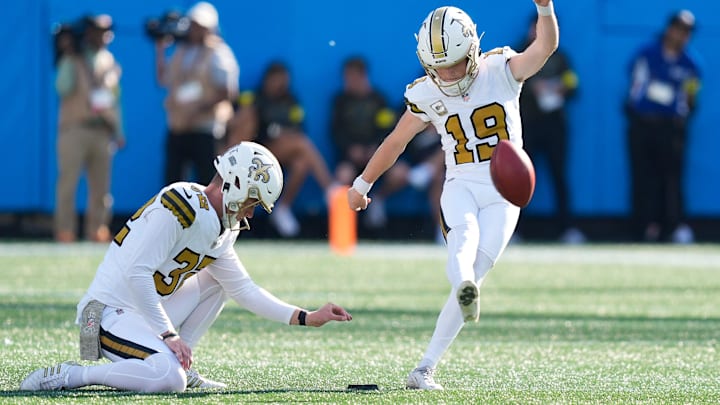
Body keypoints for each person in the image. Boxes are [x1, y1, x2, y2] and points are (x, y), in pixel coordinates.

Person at [19, 142, 352, 392]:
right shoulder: (185, 205)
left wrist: (307, 317)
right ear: (234, 185)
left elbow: (244, 289)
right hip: (104, 313)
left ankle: (180, 361)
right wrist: (169, 335)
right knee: (168, 378)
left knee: (218, 282)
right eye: (252, 203)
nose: (250, 213)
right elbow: (137, 274)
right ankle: (72, 375)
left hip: (141, 310)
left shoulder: (219, 225)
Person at [348, 1, 559, 389]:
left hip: (503, 192)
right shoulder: (427, 92)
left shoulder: (501, 70)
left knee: (477, 269)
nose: (446, 73)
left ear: (474, 51)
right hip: (460, 183)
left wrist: (544, 8)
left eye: (455, 63)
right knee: (462, 245)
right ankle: (457, 296)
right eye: (438, 66)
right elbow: (396, 141)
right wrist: (362, 183)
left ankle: (425, 366)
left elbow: (544, 48)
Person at [226, 61, 336, 237]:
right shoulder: (253, 98)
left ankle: (282, 208)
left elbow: (299, 127)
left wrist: (282, 133)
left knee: (301, 162)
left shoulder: (290, 100)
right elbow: (243, 126)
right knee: (303, 144)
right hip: (254, 152)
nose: (280, 85)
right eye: (277, 80)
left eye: (284, 81)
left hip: (278, 153)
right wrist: (273, 131)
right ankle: (330, 189)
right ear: (268, 79)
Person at [625, 10, 701, 244]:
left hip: (671, 128)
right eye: (678, 29)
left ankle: (674, 226)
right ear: (669, 29)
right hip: (644, 124)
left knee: (671, 179)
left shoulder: (691, 64)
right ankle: (644, 226)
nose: (681, 35)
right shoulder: (647, 55)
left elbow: (690, 98)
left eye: (686, 32)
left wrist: (679, 108)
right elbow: (635, 89)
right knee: (642, 177)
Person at [54, 14, 125, 243]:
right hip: (75, 128)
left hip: (102, 130)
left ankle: (98, 228)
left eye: (106, 31)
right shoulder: (73, 59)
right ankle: (65, 230)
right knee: (68, 182)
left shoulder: (110, 61)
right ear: (88, 34)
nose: (104, 36)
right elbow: (62, 88)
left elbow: (114, 100)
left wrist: (119, 131)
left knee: (101, 186)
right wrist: (67, 56)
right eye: (98, 31)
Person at [155, 1, 239, 185]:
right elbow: (164, 80)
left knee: (207, 181)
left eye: (200, 26)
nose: (195, 29)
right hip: (178, 126)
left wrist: (199, 108)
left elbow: (228, 91)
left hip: (205, 129)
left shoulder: (218, 53)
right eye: (193, 24)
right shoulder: (182, 51)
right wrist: (160, 48)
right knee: (173, 184)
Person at [517, 16, 584, 244]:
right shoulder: (517, 54)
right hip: (526, 126)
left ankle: (567, 228)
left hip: (555, 125)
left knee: (559, 175)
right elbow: (505, 84)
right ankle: (515, 230)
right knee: (520, 179)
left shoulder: (560, 57)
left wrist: (561, 88)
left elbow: (574, 85)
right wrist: (532, 88)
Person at [330, 56, 402, 229]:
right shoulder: (340, 101)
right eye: (346, 78)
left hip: (377, 157)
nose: (349, 82)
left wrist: (374, 149)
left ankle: (377, 201)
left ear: (363, 76)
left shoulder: (379, 100)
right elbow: (335, 132)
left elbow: (387, 130)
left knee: (401, 174)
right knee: (343, 176)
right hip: (350, 158)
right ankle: (344, 226)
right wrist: (351, 149)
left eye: (352, 77)